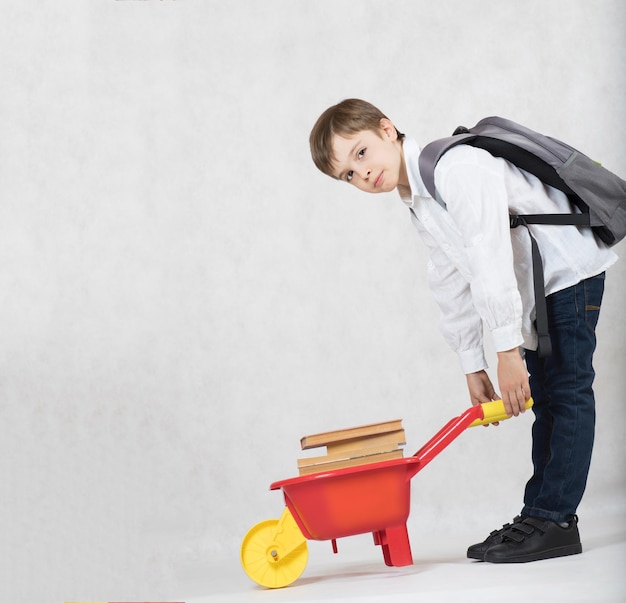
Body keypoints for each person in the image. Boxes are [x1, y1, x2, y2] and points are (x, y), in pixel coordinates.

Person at [309, 98, 618, 563]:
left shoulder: (456, 168)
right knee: (550, 399)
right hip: (534, 288)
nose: (362, 173)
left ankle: (555, 519)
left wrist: (507, 351)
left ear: (387, 129)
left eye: (360, 153)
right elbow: (451, 276)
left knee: (567, 391)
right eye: (347, 175)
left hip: (565, 273)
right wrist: (471, 362)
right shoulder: (418, 199)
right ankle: (539, 513)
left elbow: (490, 253)